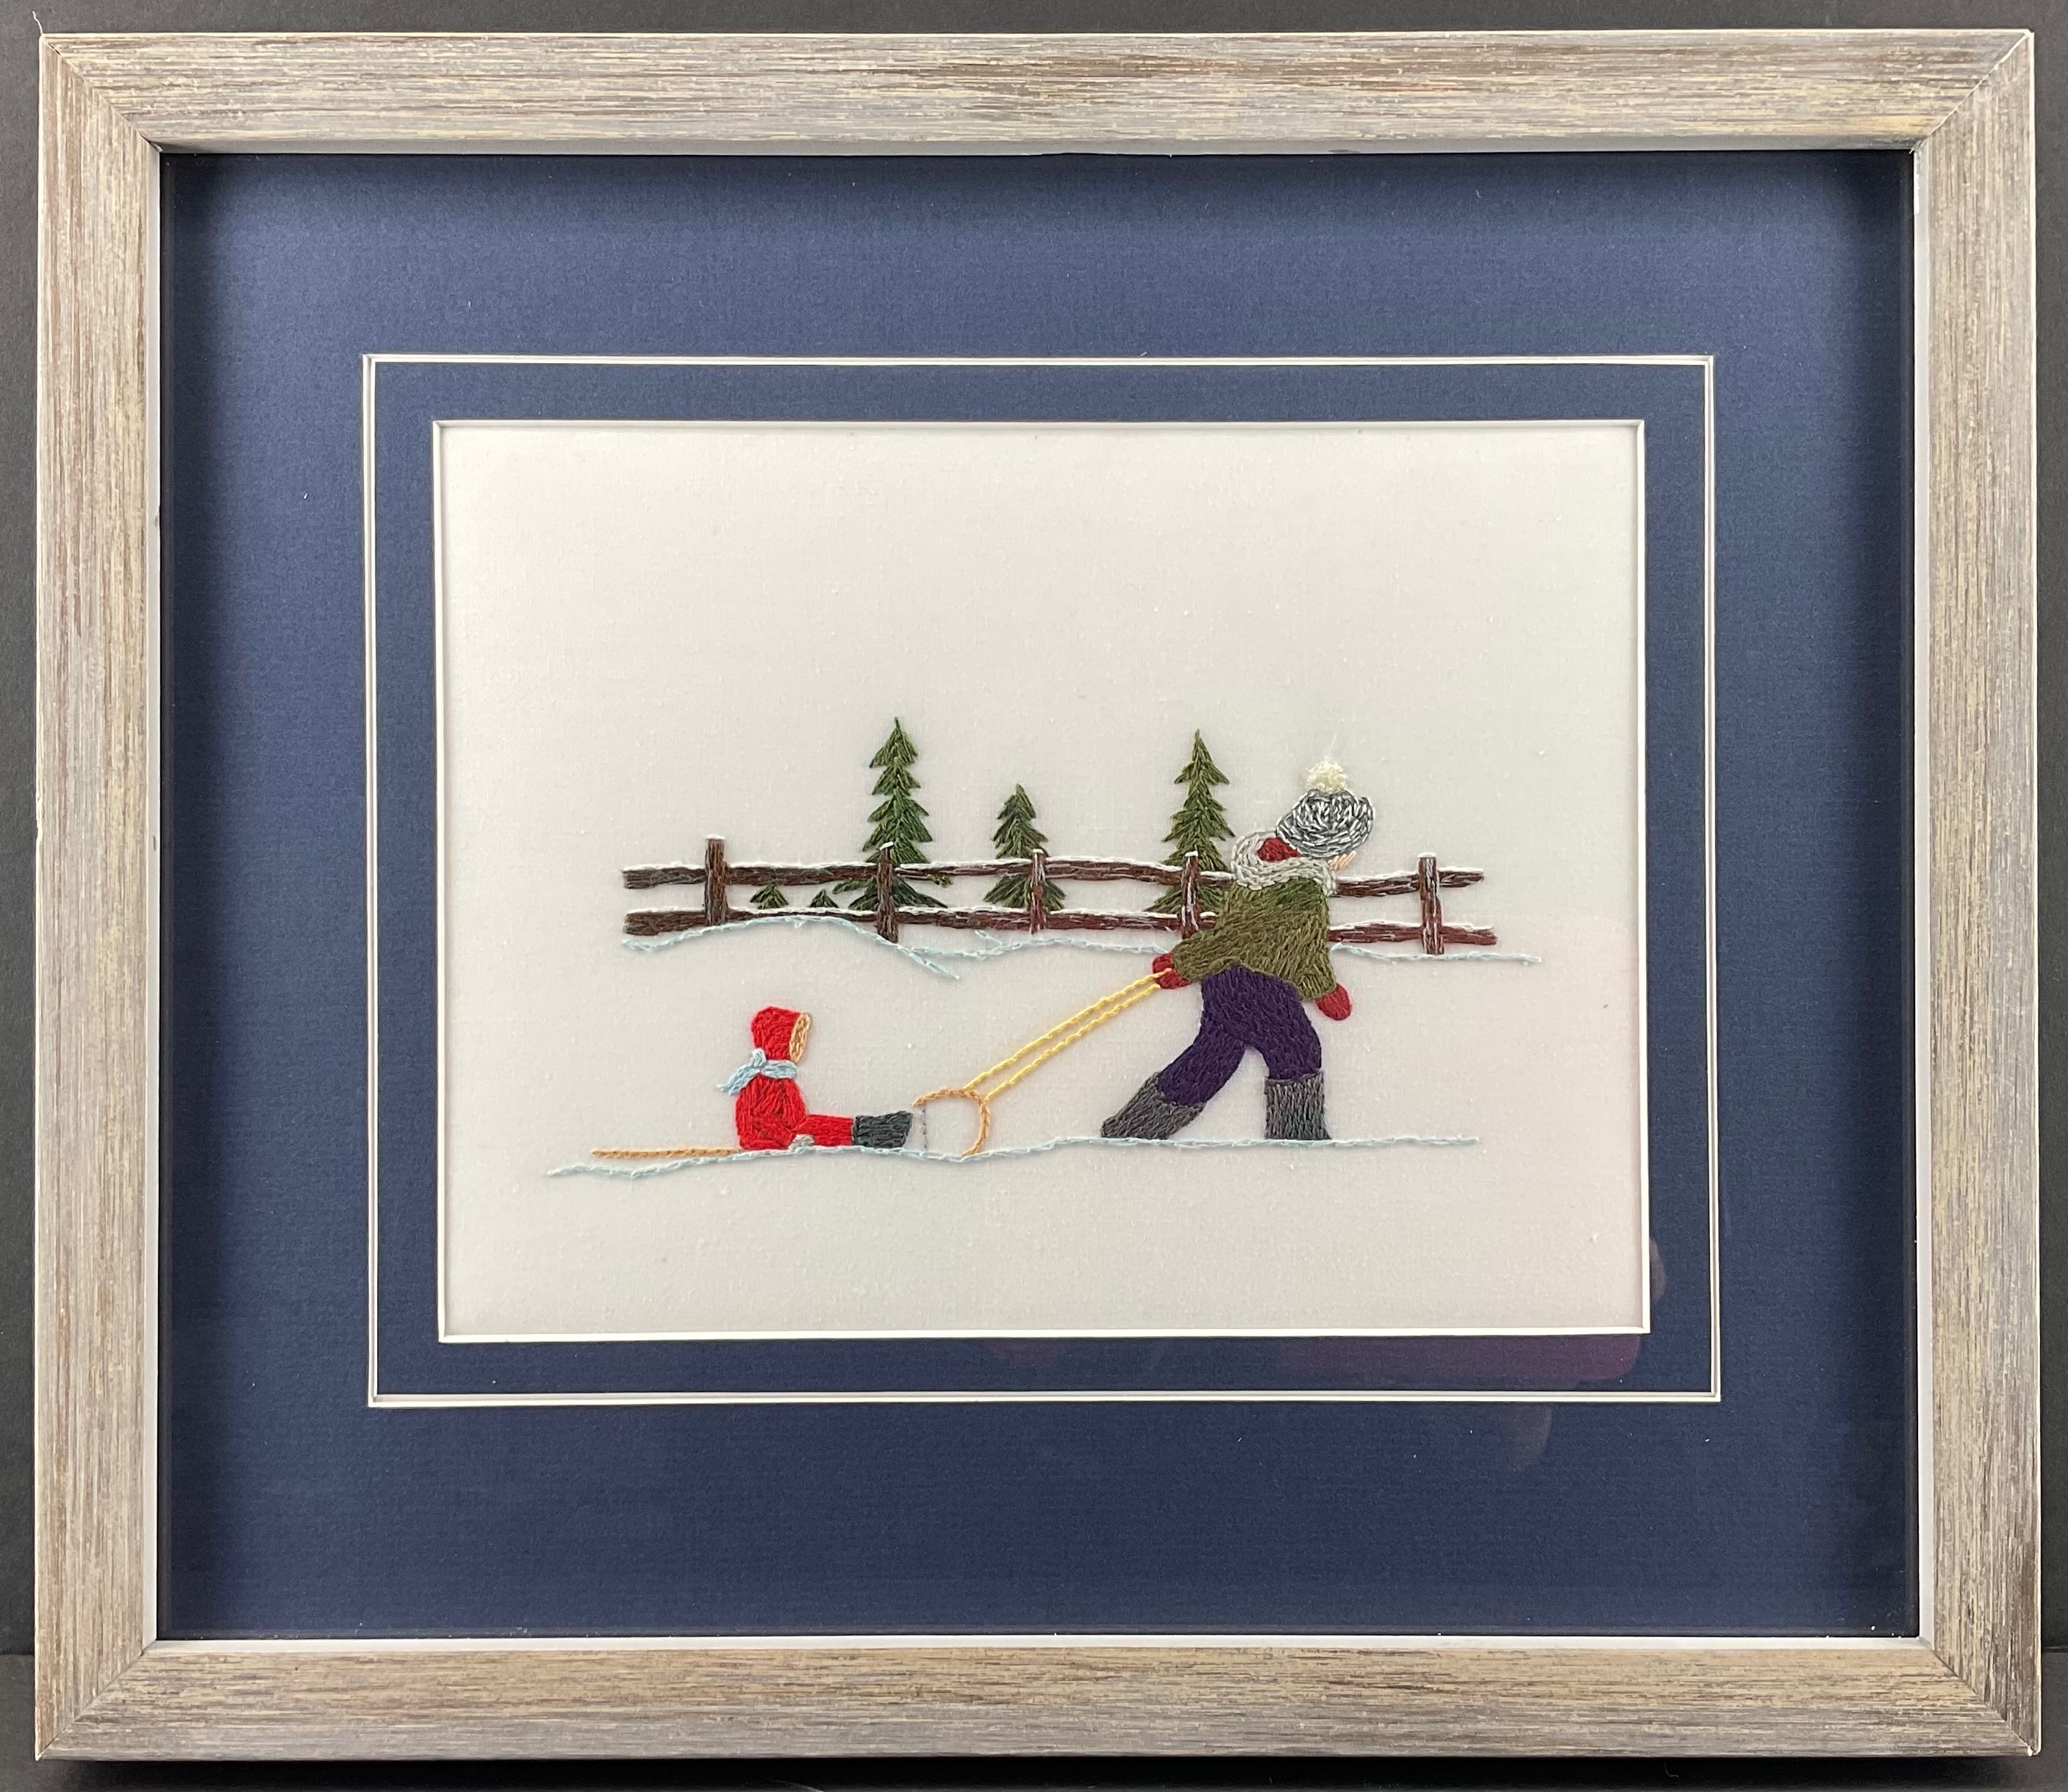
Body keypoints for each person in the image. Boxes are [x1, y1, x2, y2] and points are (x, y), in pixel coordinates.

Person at [1102, 761, 1371, 1142]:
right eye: (1349, 848)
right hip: (1260, 987)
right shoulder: (1302, 892)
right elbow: (1265, 945)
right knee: (1298, 1053)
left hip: (1223, 984)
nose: (1351, 858)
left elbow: (1270, 944)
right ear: (1330, 849)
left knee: (1212, 1058)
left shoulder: (1260, 875)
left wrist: (1189, 964)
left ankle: (1135, 1129)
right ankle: (1299, 1138)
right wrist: (1326, 992)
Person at [726, 1006, 912, 1153]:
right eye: (795, 1041)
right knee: (820, 1131)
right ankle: (875, 1134)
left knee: (822, 1124)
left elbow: (792, 1116)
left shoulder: (778, 1075)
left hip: (791, 1128)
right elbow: (763, 1118)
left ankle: (875, 1128)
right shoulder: (766, 1079)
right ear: (779, 1042)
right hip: (768, 1138)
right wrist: (789, 1139)